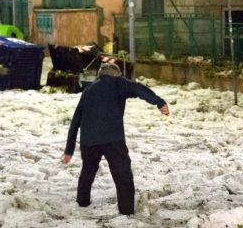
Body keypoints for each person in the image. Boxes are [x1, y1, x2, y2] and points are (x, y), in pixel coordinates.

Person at [61, 63, 169, 214]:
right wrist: (159, 102)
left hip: (89, 140)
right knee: (122, 174)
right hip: (113, 138)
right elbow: (138, 89)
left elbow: (76, 120)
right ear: (117, 75)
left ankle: (82, 203)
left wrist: (69, 150)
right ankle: (126, 210)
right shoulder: (118, 83)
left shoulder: (88, 89)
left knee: (87, 171)